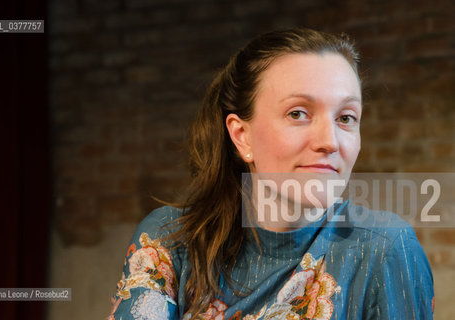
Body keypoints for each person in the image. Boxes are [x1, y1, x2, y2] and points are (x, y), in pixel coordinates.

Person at [107, 28, 434, 320]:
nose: (330, 142)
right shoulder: (169, 240)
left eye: (346, 118)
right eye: (298, 113)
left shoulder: (385, 249)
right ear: (242, 136)